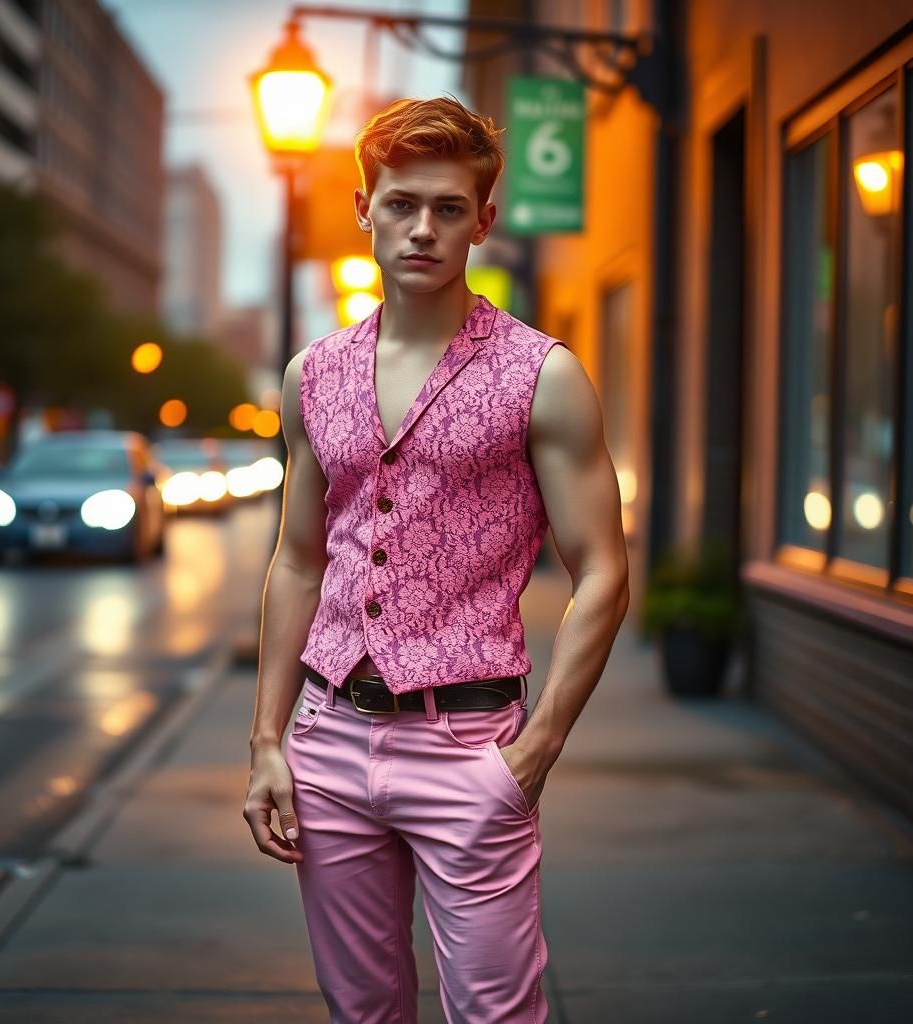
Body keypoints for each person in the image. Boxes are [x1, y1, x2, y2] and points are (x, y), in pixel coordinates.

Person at [244, 94, 629, 1023]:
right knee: (362, 1012)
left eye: (449, 209)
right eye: (401, 203)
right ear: (364, 210)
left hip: (469, 747)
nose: (423, 228)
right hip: (329, 744)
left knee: (495, 1014)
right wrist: (268, 739)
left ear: (484, 221)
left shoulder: (543, 375)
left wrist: (532, 756)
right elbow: (298, 561)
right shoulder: (312, 375)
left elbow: (604, 573)